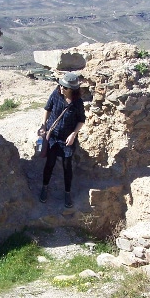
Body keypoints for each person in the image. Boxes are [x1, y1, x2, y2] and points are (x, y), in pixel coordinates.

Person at [39, 71, 86, 208]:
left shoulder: (77, 103)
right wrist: (44, 124)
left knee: (67, 167)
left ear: (72, 89)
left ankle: (67, 193)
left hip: (67, 139)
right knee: (50, 163)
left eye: (64, 87)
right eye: (61, 85)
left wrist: (74, 134)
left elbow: (81, 120)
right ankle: (45, 187)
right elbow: (47, 109)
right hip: (53, 136)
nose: (61, 88)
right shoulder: (56, 94)